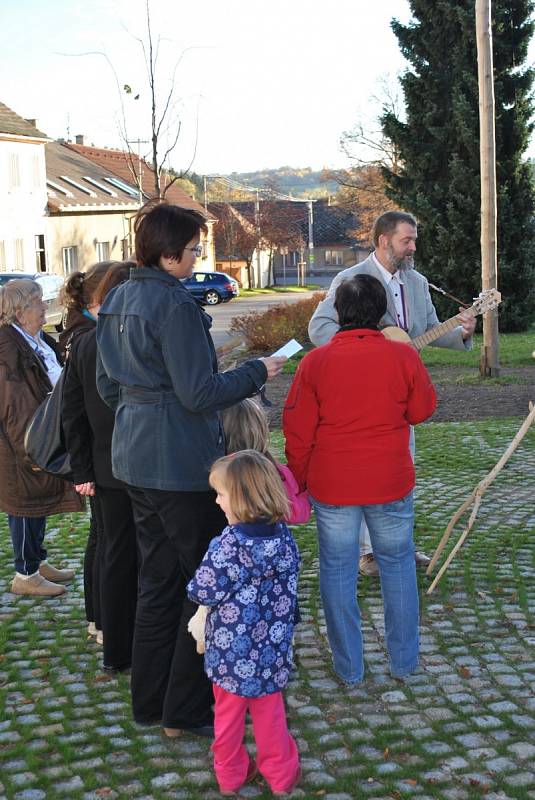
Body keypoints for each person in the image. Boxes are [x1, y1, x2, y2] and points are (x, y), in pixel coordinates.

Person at [96, 200, 286, 738]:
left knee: (156, 582)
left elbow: (110, 387)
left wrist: (145, 411)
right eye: (195, 247)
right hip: (178, 463)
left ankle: (150, 701)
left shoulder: (116, 298)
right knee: (200, 584)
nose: (200, 254)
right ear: (169, 253)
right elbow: (200, 393)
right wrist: (256, 371)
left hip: (133, 456)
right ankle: (184, 709)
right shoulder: (174, 305)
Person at [284, 274, 436, 683]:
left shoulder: (316, 363)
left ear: (338, 312)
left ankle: (349, 666)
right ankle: (404, 662)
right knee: (397, 564)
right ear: (381, 311)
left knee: (337, 568)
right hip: (389, 478)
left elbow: (297, 430)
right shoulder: (403, 358)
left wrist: (298, 480)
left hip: (333, 483)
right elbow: (422, 410)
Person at [308, 210, 476, 577]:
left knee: (402, 468)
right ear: (384, 241)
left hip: (399, 392)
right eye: (407, 240)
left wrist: (461, 332)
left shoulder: (416, 282)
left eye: (414, 239)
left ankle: (397, 547)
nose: (413, 247)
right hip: (358, 392)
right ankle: (368, 553)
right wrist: (360, 355)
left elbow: (429, 329)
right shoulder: (351, 278)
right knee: (365, 473)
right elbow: (319, 328)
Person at [187, 450, 301, 798]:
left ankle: (230, 776)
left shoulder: (228, 546)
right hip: (271, 651)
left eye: (220, 494)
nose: (217, 500)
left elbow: (201, 588)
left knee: (228, 719)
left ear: (239, 498)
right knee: (271, 719)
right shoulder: (284, 540)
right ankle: (280, 777)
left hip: (230, 655)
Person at [62, 261, 138, 673]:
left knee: (112, 548)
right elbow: (72, 411)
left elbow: (73, 412)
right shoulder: (98, 341)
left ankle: (109, 630)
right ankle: (113, 633)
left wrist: (84, 470)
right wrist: (82, 471)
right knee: (118, 551)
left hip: (106, 465)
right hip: (118, 464)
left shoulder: (88, 340)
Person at [0, 279, 82, 597]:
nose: (44, 306)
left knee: (38, 503)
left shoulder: (32, 338)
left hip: (40, 434)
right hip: (21, 442)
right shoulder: (8, 349)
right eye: (38, 302)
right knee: (23, 504)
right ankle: (25, 574)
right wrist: (31, 452)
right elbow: (15, 408)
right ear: (20, 312)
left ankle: (37, 561)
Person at [220, 398, 310, 524]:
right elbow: (295, 513)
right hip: (266, 540)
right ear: (259, 430)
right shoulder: (273, 471)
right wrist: (306, 495)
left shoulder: (215, 471)